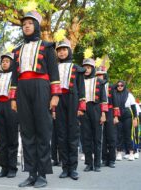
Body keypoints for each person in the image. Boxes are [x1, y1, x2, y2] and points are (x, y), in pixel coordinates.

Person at [10, 10, 61, 188]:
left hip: (41, 87)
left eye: (30, 23)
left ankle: (42, 174)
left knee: (42, 131)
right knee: (27, 132)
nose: (27, 26)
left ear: (36, 26)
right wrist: (13, 97)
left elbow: (54, 72)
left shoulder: (47, 47)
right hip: (23, 89)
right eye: (24, 24)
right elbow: (14, 77)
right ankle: (31, 173)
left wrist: (55, 95)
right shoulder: (17, 50)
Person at [54, 40, 86, 180]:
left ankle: (73, 168)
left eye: (64, 49)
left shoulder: (76, 68)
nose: (61, 52)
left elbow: (82, 88)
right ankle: (65, 168)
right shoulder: (53, 68)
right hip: (59, 100)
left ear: (69, 51)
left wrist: (81, 107)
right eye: (59, 50)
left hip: (73, 99)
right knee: (61, 135)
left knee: (72, 135)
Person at [0, 52, 19, 178]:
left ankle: (12, 168)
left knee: (12, 138)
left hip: (11, 106)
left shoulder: (16, 76)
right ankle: (4, 168)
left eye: (7, 61)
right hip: (0, 107)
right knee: (1, 139)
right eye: (3, 62)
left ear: (12, 63)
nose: (5, 63)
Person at [80, 58, 108, 172]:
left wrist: (103, 114)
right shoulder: (79, 81)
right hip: (84, 109)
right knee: (86, 137)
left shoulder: (99, 81)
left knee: (97, 137)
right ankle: (88, 163)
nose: (86, 69)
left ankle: (97, 163)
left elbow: (104, 99)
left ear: (92, 68)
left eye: (89, 67)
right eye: (84, 67)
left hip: (96, 108)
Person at [96, 66, 120, 168]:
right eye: (97, 75)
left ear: (104, 75)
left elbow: (115, 102)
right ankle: (104, 159)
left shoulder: (110, 86)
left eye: (100, 75)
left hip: (110, 112)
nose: (99, 76)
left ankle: (111, 160)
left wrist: (116, 116)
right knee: (102, 137)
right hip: (99, 112)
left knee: (111, 137)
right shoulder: (94, 85)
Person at [115, 81, 138, 161]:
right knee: (119, 134)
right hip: (117, 115)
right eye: (118, 85)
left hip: (127, 115)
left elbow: (133, 107)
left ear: (124, 86)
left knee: (128, 134)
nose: (120, 87)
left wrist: (135, 118)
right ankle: (119, 152)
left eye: (121, 85)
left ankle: (131, 152)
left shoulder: (129, 94)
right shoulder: (114, 94)